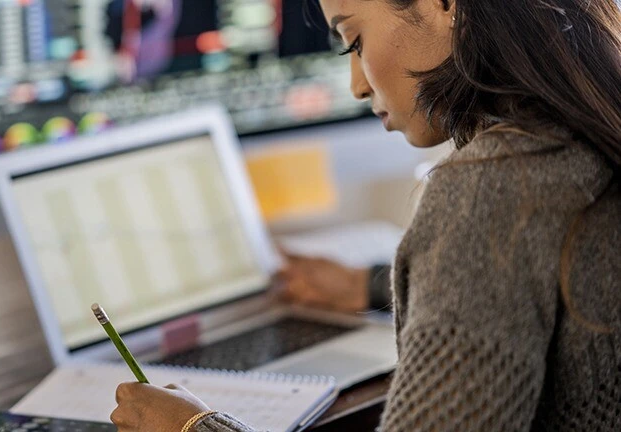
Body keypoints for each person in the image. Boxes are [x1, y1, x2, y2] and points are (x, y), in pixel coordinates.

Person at [110, 0, 621, 430]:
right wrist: (375, 287)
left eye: (353, 42)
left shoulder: (488, 192)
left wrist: (193, 426)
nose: (356, 84)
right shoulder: (588, 134)